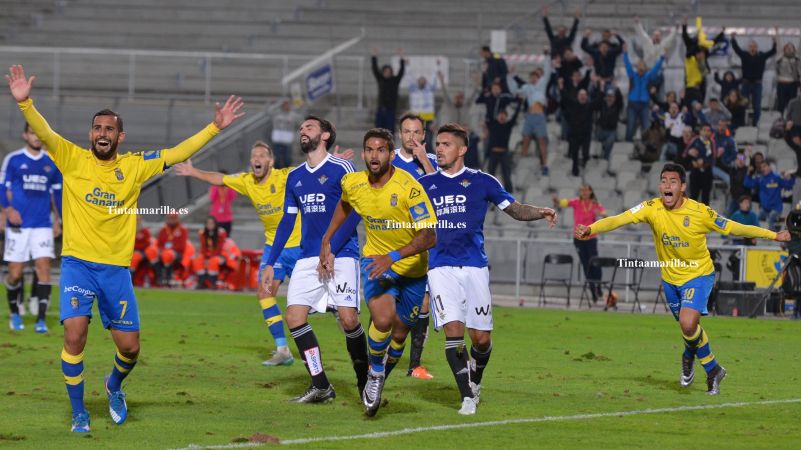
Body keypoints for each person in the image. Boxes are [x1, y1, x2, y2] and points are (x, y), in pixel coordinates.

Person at [5, 64, 245, 432]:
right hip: (77, 265)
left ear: (120, 136)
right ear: (91, 133)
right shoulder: (71, 158)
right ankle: (80, 412)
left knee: (130, 348)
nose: (103, 134)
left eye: (110, 129)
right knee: (73, 334)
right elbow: (45, 132)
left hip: (115, 270)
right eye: (98, 128)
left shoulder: (134, 167)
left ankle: (113, 386)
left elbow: (177, 153)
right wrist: (25, 104)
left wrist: (215, 127)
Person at [576, 163, 790, 395]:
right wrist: (591, 228)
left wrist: (773, 235)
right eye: (664, 181)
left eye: (673, 181)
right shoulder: (651, 207)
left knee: (687, 324)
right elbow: (619, 219)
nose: (667, 185)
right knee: (689, 329)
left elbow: (733, 227)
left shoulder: (700, 212)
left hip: (698, 275)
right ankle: (697, 361)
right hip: (670, 278)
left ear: (683, 186)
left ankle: (710, 368)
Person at [418, 123, 557, 415]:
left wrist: (539, 212)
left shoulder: (483, 181)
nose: (439, 149)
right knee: (453, 331)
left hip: (474, 267)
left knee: (480, 339)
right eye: (437, 144)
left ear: (462, 149)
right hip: (441, 267)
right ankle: (467, 396)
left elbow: (514, 208)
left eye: (445, 144)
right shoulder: (426, 185)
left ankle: (476, 377)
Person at [319, 127, 437, 417]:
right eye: (369, 150)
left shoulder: (409, 187)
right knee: (382, 320)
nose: (374, 155)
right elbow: (345, 205)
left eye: (381, 150)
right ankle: (374, 374)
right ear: (363, 154)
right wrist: (327, 239)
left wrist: (394, 256)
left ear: (391, 154)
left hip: (411, 270)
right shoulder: (354, 183)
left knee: (400, 333)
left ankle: (381, 372)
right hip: (375, 261)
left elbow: (430, 236)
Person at [260, 115, 367, 404]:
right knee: (294, 318)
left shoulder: (342, 168)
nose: (302, 131)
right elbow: (286, 222)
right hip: (308, 257)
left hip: (342, 254)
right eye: (301, 128)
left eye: (309, 127)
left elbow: (356, 210)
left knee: (348, 319)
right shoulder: (295, 176)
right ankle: (320, 385)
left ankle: (365, 380)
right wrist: (271, 262)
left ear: (325, 135)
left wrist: (331, 248)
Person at [1, 122, 62, 332]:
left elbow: (57, 194)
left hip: (42, 225)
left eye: (39, 134)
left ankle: (41, 320)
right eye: (32, 133)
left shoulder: (51, 164)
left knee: (44, 268)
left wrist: (59, 220)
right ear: (25, 135)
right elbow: (2, 187)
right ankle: (15, 313)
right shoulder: (14, 160)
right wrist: (7, 210)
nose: (36, 137)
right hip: (17, 226)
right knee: (15, 274)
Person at [392, 112, 438, 379]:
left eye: (416, 132)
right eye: (407, 131)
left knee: (423, 303)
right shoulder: (390, 161)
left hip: (424, 242)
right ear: (401, 134)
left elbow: (441, 193)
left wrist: (424, 161)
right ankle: (379, 355)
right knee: (387, 303)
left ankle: (415, 365)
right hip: (393, 240)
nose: (411, 136)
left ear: (423, 135)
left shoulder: (432, 162)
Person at [553, 185, 606, 303]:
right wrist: (557, 201)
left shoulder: (595, 203)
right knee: (586, 265)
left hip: (591, 238)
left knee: (595, 263)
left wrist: (602, 215)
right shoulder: (576, 202)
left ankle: (598, 286)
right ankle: (593, 292)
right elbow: (564, 202)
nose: (584, 192)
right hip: (578, 239)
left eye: (586, 190)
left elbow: (604, 214)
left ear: (591, 191)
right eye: (582, 190)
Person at [508, 50, 552, 174]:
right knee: (525, 139)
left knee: (542, 141)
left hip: (539, 115)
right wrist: (510, 76)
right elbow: (514, 91)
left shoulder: (542, 85)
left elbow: (547, 72)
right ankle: (522, 164)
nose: (532, 79)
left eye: (535, 77)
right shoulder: (527, 88)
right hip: (530, 116)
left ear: (538, 78)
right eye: (531, 77)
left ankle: (545, 165)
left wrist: (547, 57)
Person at [731, 32, 777, 126]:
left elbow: (773, 51)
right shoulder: (744, 55)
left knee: (757, 106)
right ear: (748, 48)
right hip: (746, 84)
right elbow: (736, 49)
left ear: (757, 48)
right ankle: (742, 123)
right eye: (751, 46)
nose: (753, 48)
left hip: (757, 84)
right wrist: (733, 38)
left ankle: (756, 124)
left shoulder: (762, 56)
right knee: (742, 105)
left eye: (754, 46)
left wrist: (774, 41)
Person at [623, 45, 665, 141]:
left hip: (644, 105)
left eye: (642, 65)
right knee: (631, 125)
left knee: (646, 126)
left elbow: (655, 69)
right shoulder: (633, 75)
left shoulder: (648, 76)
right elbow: (627, 65)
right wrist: (625, 53)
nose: (640, 66)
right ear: (637, 67)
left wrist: (662, 58)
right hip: (632, 104)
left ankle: (645, 145)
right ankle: (627, 144)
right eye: (639, 65)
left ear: (645, 67)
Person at [744, 161, 795, 231]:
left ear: (769, 167)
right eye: (761, 167)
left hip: (776, 208)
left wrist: (790, 177)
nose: (763, 169)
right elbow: (747, 184)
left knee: (771, 218)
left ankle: (773, 237)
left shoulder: (777, 177)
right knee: (756, 219)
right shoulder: (760, 179)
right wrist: (748, 173)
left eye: (764, 166)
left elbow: (788, 185)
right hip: (765, 209)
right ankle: (756, 236)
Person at [486, 101, 522, 191]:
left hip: (504, 153)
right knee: (490, 175)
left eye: (504, 115)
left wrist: (520, 104)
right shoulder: (492, 124)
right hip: (493, 153)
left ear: (506, 117)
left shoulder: (508, 126)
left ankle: (509, 194)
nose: (502, 116)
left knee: (506, 175)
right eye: (500, 114)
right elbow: (489, 112)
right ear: (497, 116)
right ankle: (489, 192)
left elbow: (515, 116)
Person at [371, 48, 406, 131]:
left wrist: (401, 57)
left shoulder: (395, 80)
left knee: (390, 131)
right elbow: (375, 69)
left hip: (391, 110)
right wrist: (374, 56)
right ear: (383, 72)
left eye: (389, 71)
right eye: (385, 71)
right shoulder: (381, 79)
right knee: (378, 130)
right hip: (381, 109)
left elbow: (401, 71)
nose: (387, 73)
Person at [682, 124, 716, 205]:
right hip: (695, 171)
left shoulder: (711, 142)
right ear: (700, 131)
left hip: (707, 172)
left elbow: (714, 159)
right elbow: (684, 154)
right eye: (704, 130)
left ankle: (705, 216)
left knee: (705, 198)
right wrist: (690, 154)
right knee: (693, 196)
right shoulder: (695, 140)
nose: (706, 133)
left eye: (708, 131)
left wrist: (704, 161)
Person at [153, 213, 189, 287]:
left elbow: (181, 246)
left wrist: (167, 250)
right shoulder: (163, 229)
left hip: (177, 254)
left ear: (177, 219)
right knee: (151, 252)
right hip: (164, 252)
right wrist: (161, 250)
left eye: (173, 218)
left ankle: (168, 279)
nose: (171, 220)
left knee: (168, 254)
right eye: (170, 218)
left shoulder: (182, 230)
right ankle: (159, 276)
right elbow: (159, 244)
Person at [191, 216, 227, 289]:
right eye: (208, 223)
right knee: (198, 259)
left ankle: (213, 282)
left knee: (213, 261)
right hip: (207, 255)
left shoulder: (221, 233)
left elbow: (220, 247)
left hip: (218, 254)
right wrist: (205, 257)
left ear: (215, 224)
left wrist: (210, 258)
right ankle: (201, 281)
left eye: (211, 223)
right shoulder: (203, 233)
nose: (210, 225)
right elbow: (203, 247)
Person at [271, 99, 301, 169]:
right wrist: (278, 104)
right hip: (277, 140)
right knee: (277, 160)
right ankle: (277, 174)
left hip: (287, 140)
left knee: (287, 160)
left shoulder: (293, 115)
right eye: (284, 104)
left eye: (287, 104)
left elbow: (300, 121)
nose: (286, 106)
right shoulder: (276, 114)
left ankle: (287, 174)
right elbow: (269, 111)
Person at [775, 41, 801, 113]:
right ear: (784, 49)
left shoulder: (796, 58)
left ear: (794, 49)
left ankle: (791, 120)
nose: (789, 49)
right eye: (787, 47)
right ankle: (780, 120)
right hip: (782, 83)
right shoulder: (780, 57)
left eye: (791, 47)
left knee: (792, 103)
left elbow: (799, 47)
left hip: (792, 84)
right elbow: (779, 45)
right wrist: (776, 31)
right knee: (781, 103)